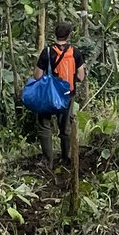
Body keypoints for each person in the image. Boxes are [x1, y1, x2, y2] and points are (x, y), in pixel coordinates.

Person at [35, 21, 87, 166]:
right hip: (67, 95)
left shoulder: (47, 52)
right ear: (69, 35)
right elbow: (81, 77)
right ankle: (66, 158)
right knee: (65, 127)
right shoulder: (75, 52)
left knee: (44, 124)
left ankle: (48, 160)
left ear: (55, 35)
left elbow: (38, 76)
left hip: (49, 95)